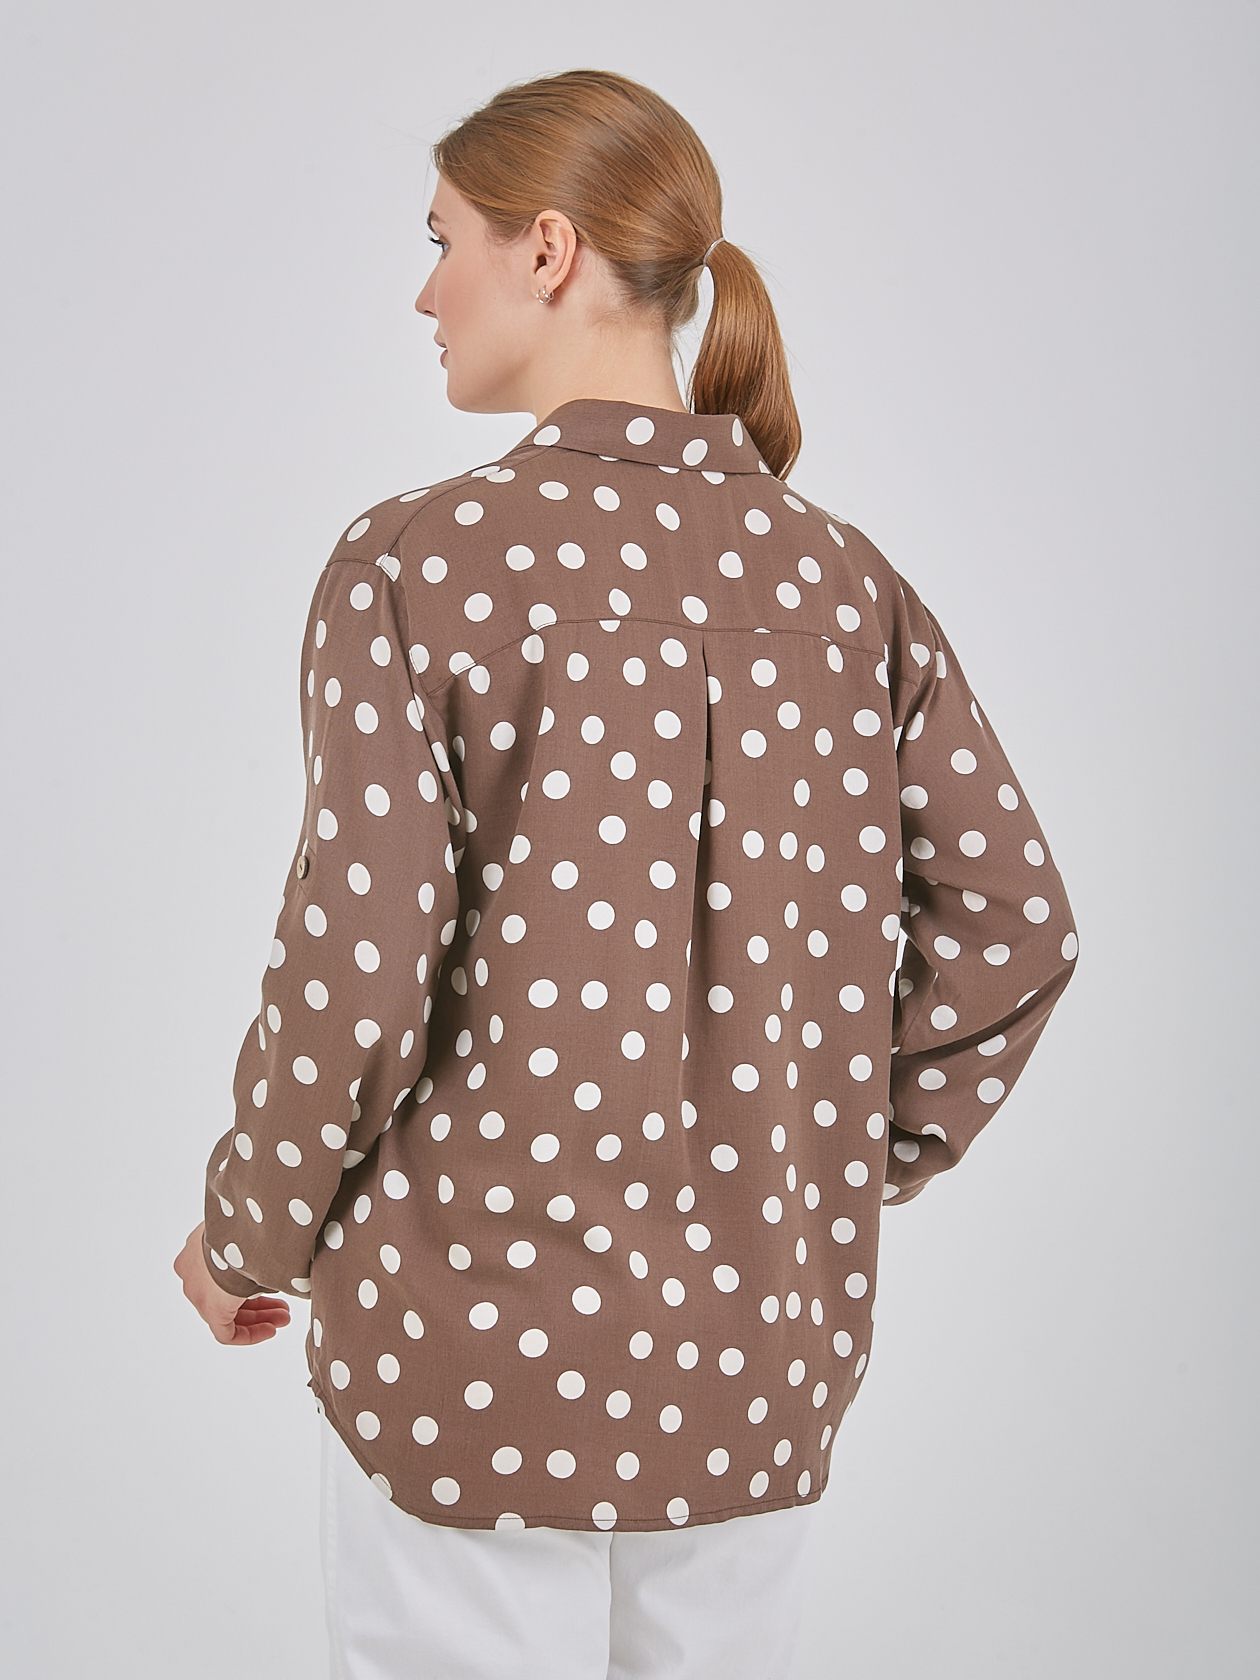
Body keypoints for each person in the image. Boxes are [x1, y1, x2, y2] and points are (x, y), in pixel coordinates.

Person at [173, 67, 1077, 1680]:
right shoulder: (843, 586)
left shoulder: (416, 564)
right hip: (756, 1359)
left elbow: (360, 966)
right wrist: (833, 1155)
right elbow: (1015, 925)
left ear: (547, 248)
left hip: (464, 1355)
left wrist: (249, 1233)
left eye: (441, 239)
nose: (423, 293)